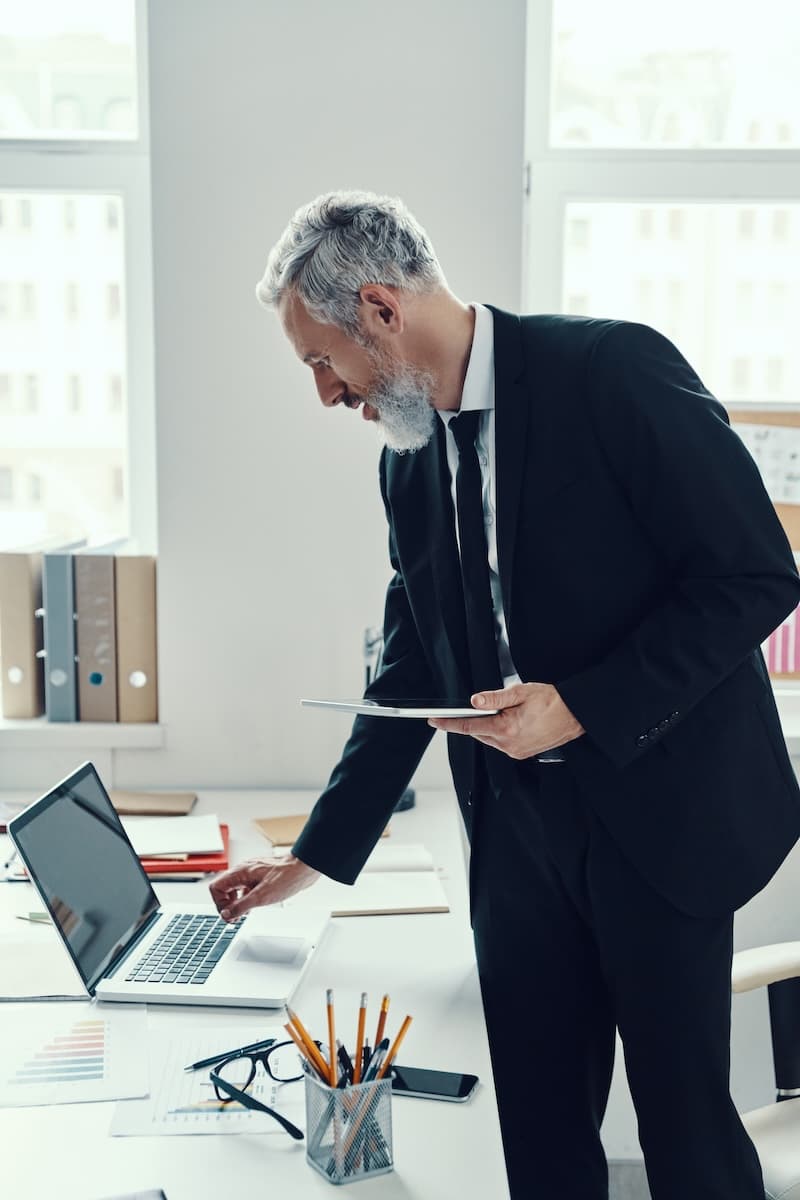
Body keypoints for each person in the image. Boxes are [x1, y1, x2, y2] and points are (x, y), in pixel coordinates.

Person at [209, 190, 800, 1199]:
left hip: (659, 827)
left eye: (321, 361)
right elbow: (406, 666)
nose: (325, 394)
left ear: (382, 310)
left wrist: (578, 704)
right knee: (538, 1145)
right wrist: (314, 856)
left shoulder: (611, 372)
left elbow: (753, 574)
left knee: (687, 1143)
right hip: (515, 842)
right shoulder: (407, 463)